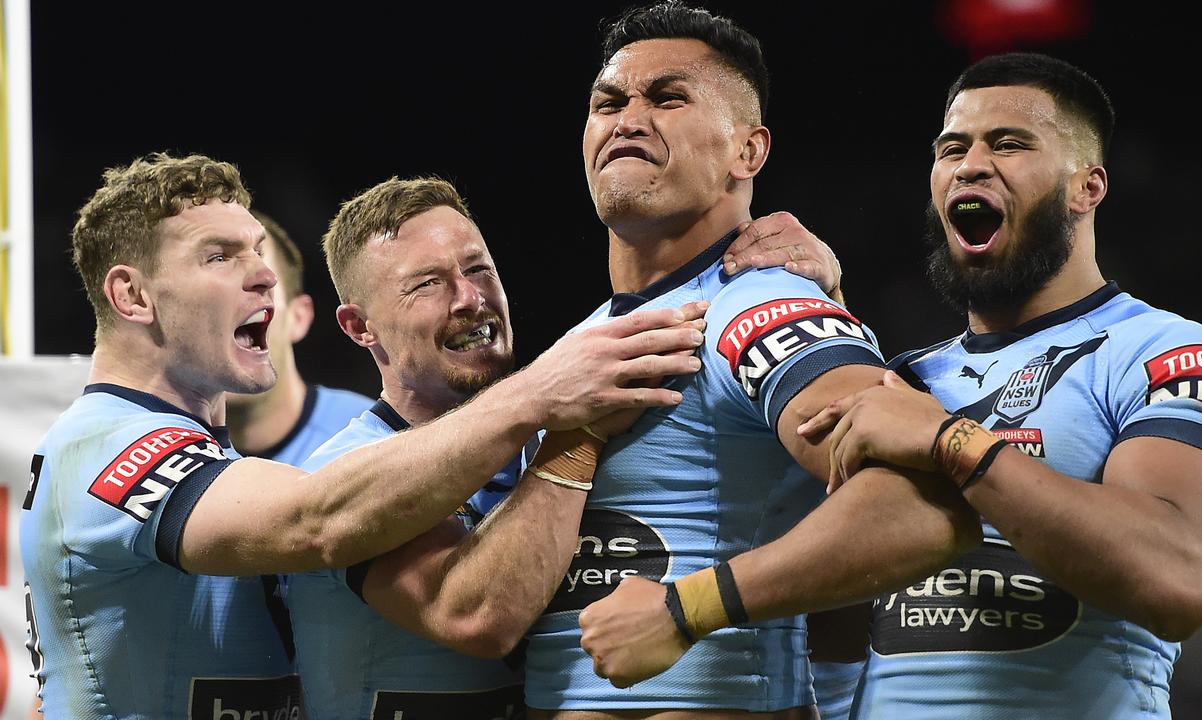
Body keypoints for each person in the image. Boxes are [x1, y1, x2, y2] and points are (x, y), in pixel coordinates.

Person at [586, 52, 1202, 720]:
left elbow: (1182, 577)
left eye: (1009, 144)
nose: (971, 164)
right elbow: (841, 610)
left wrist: (954, 443)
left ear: (1086, 186)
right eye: (952, 148)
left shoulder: (1165, 351)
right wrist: (823, 312)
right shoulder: (908, 379)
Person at [18, 152, 712, 718]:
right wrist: (542, 398)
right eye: (220, 256)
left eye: (259, 251)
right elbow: (318, 518)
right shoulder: (104, 447)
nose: (265, 275)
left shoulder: (205, 455)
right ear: (133, 297)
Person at [527, 2, 980, 716]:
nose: (628, 117)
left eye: (668, 97)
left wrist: (688, 608)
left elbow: (923, 508)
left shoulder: (756, 307)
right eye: (607, 101)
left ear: (749, 151)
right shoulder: (578, 349)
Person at [282, 174, 842, 719]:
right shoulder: (346, 472)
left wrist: (824, 297)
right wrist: (579, 437)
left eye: (479, 270)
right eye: (427, 284)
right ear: (360, 327)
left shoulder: (540, 438)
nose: (470, 299)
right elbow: (479, 618)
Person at [225, 210, 373, 465]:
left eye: (259, 287)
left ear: (299, 318)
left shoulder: (374, 441)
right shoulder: (157, 453)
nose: (235, 302)